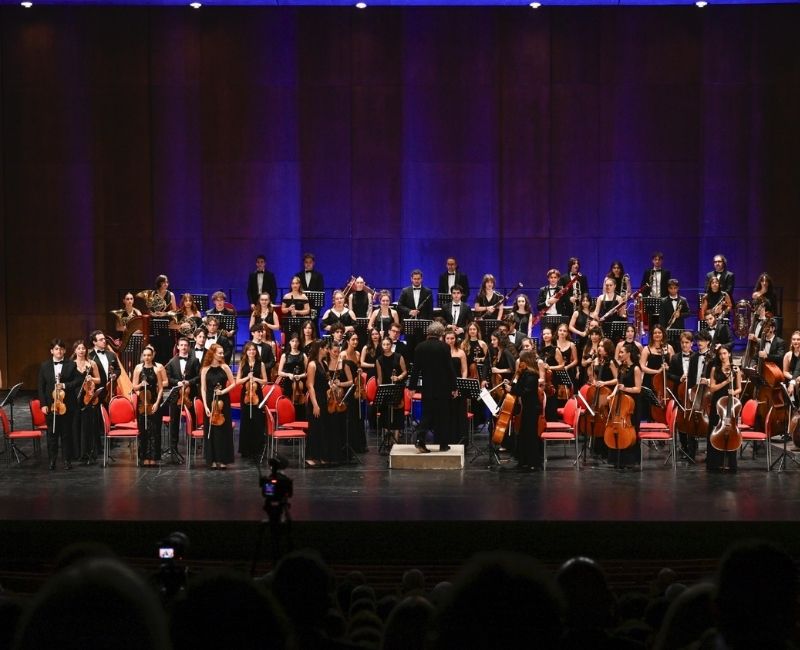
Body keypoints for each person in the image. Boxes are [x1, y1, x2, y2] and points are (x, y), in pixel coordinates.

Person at [409, 322, 457, 452]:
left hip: (428, 387)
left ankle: (420, 439)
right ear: (441, 334)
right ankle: (443, 445)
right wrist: (454, 387)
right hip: (443, 387)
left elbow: (415, 369)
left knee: (427, 414)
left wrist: (411, 387)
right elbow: (450, 369)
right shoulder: (444, 347)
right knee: (443, 416)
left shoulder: (420, 347)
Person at [38, 339, 81, 470]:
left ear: (65, 351)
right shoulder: (44, 366)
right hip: (51, 406)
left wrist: (65, 385)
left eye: (61, 349)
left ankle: (67, 460)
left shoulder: (71, 365)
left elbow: (79, 380)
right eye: (56, 349)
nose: (59, 351)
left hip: (67, 405)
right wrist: (43, 404)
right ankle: (52, 460)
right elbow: (41, 387)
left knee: (67, 434)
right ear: (52, 351)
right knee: (52, 434)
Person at [200, 343, 236, 469]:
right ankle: (213, 460)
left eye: (222, 353)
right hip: (210, 401)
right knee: (212, 432)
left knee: (223, 431)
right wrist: (205, 406)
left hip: (223, 402)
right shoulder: (205, 369)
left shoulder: (225, 367)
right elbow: (203, 389)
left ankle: (223, 459)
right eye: (219, 353)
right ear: (212, 353)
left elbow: (233, 383)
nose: (222, 355)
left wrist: (223, 391)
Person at [164, 337, 199, 463]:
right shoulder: (172, 362)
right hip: (176, 397)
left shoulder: (195, 360)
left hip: (190, 396)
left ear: (189, 347)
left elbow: (199, 377)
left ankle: (193, 445)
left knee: (192, 419)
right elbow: (168, 379)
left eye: (186, 345)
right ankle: (173, 448)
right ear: (177, 347)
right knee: (174, 422)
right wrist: (178, 382)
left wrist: (189, 382)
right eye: (181, 345)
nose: (183, 347)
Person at [607, 342, 642, 469]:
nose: (619, 354)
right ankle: (618, 458)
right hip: (621, 402)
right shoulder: (622, 367)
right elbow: (618, 383)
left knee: (630, 430)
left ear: (628, 354)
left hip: (631, 404)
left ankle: (630, 460)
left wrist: (625, 388)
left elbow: (638, 389)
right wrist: (612, 394)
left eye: (622, 352)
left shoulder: (636, 369)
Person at [706, 346, 741, 473]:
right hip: (718, 404)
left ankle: (730, 463)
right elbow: (712, 388)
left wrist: (733, 391)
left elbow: (739, 389)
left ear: (729, 354)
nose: (722, 356)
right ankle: (714, 463)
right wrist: (726, 382)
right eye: (720, 354)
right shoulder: (715, 368)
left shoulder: (735, 369)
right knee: (715, 430)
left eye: (725, 353)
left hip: (730, 404)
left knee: (730, 430)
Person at [131, 345, 165, 467]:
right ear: (142, 356)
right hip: (142, 403)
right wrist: (140, 384)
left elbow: (161, 388)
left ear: (152, 356)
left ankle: (153, 457)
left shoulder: (157, 369)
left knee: (155, 431)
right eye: (145, 355)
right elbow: (134, 387)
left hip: (154, 402)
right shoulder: (138, 368)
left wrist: (157, 403)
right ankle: (144, 457)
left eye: (149, 355)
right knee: (143, 430)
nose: (147, 357)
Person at [236, 341, 268, 459]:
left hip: (257, 394)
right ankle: (246, 449)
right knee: (246, 421)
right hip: (245, 395)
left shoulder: (261, 364)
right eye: (249, 350)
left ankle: (257, 448)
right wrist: (247, 378)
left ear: (256, 351)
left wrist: (255, 378)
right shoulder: (242, 363)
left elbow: (265, 380)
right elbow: (237, 381)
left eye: (253, 349)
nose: (251, 352)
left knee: (257, 421)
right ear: (246, 351)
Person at [71, 340, 101, 464]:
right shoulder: (71, 364)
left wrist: (91, 378)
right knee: (76, 425)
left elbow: (99, 380)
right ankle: (77, 452)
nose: (81, 350)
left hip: (88, 397)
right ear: (75, 351)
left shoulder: (92, 363)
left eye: (83, 348)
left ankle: (88, 452)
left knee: (88, 425)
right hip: (74, 397)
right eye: (79, 348)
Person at [376, 335, 408, 447]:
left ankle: (396, 438)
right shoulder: (379, 360)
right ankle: (387, 439)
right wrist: (379, 388)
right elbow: (379, 377)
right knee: (385, 413)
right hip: (386, 387)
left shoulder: (398, 357)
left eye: (388, 344)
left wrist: (398, 378)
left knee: (397, 413)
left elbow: (405, 372)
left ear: (391, 345)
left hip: (397, 387)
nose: (386, 346)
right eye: (384, 344)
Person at [342, 331, 367, 454]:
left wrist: (360, 371)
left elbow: (358, 369)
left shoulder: (357, 354)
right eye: (353, 340)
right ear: (347, 341)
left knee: (358, 416)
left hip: (356, 388)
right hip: (347, 387)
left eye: (356, 339)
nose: (355, 342)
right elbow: (341, 373)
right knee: (349, 416)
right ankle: (349, 443)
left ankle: (358, 445)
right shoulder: (343, 355)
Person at [445, 328, 468, 444]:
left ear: (455, 339)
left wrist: (461, 386)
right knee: (447, 412)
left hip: (458, 384)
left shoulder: (461, 352)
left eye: (452, 338)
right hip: (445, 385)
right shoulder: (442, 352)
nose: (450, 341)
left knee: (459, 412)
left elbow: (464, 370)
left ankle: (460, 439)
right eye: (448, 338)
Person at [89, 329, 122, 401]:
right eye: (101, 340)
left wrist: (115, 375)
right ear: (94, 342)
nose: (104, 341)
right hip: (96, 391)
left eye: (104, 339)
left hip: (110, 390)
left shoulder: (111, 354)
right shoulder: (90, 356)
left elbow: (118, 369)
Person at [277, 333, 307, 406]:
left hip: (300, 381)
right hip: (287, 381)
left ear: (299, 343)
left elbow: (307, 372)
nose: (294, 343)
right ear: (289, 342)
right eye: (292, 341)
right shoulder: (285, 355)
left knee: (300, 402)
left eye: (296, 341)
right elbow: (279, 372)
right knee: (288, 401)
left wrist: (300, 376)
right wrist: (288, 374)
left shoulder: (303, 355)